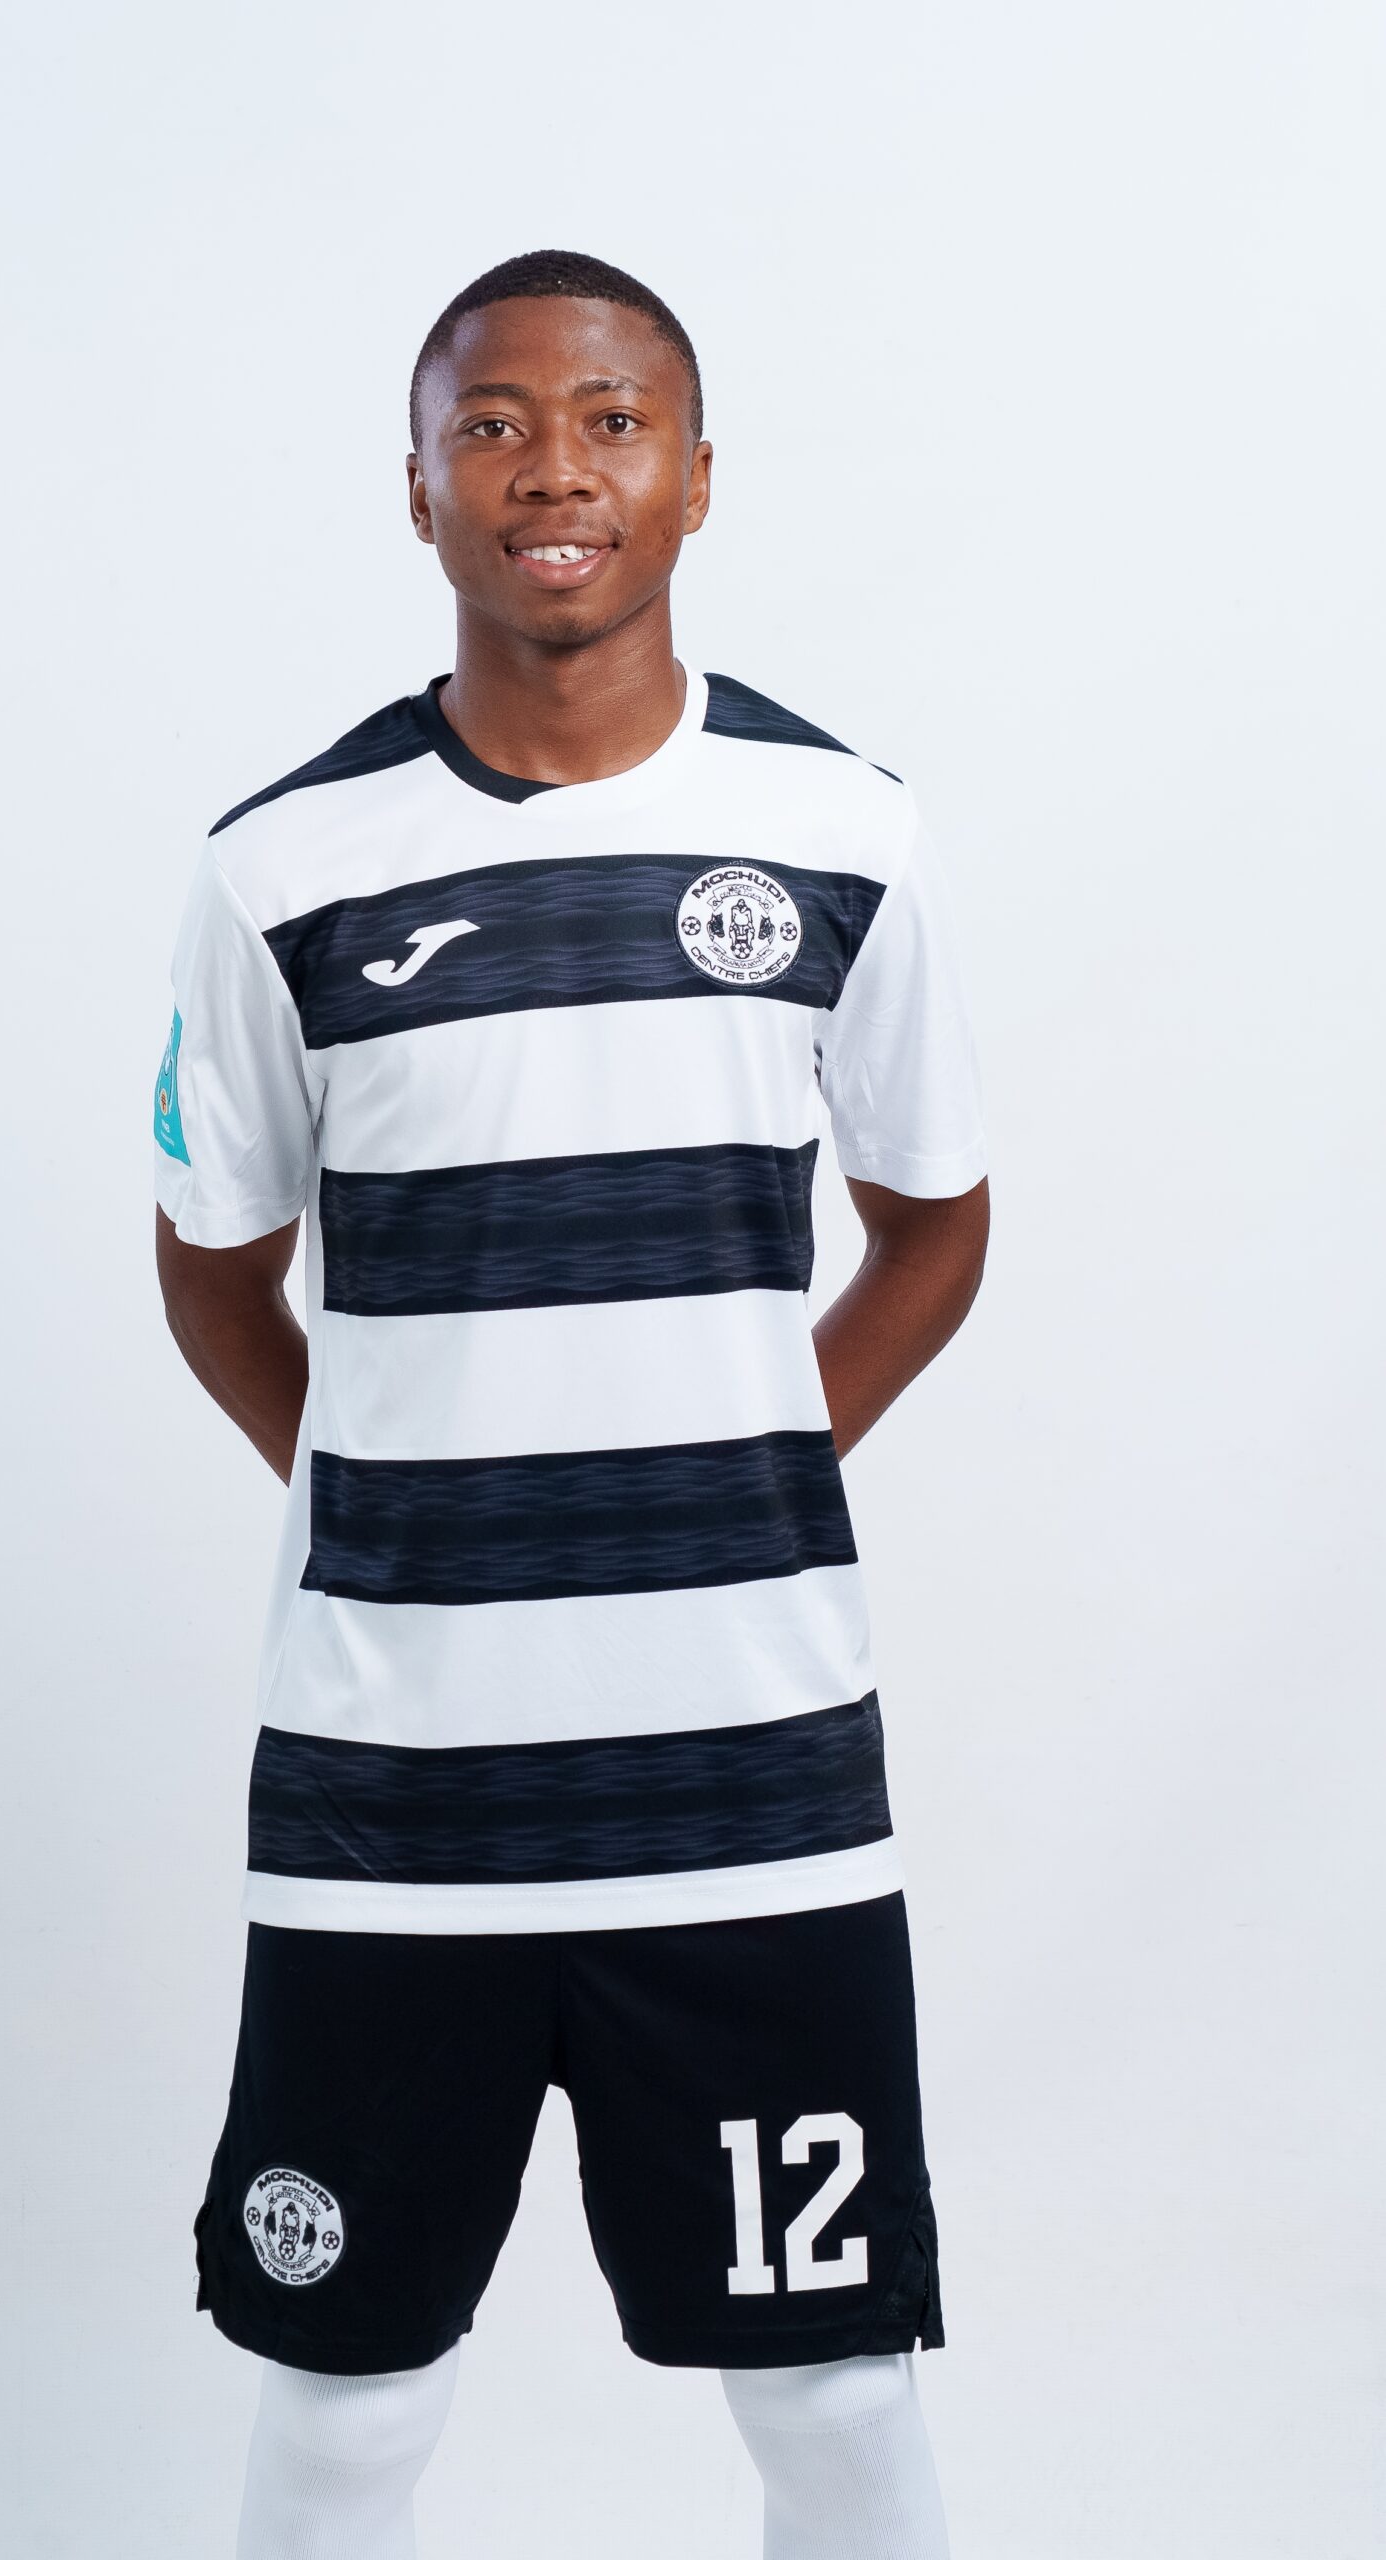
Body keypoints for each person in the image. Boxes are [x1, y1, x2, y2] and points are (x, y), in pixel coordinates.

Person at [152, 247, 990, 2560]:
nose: (554, 469)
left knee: (832, 2388)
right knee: (342, 2397)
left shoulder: (846, 829)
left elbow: (936, 1224)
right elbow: (210, 1263)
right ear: (420, 484)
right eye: (496, 422)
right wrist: (393, 1492)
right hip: (390, 1795)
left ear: (696, 478)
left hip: (752, 1786)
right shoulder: (281, 866)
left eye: (611, 421)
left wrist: (744, 1460)